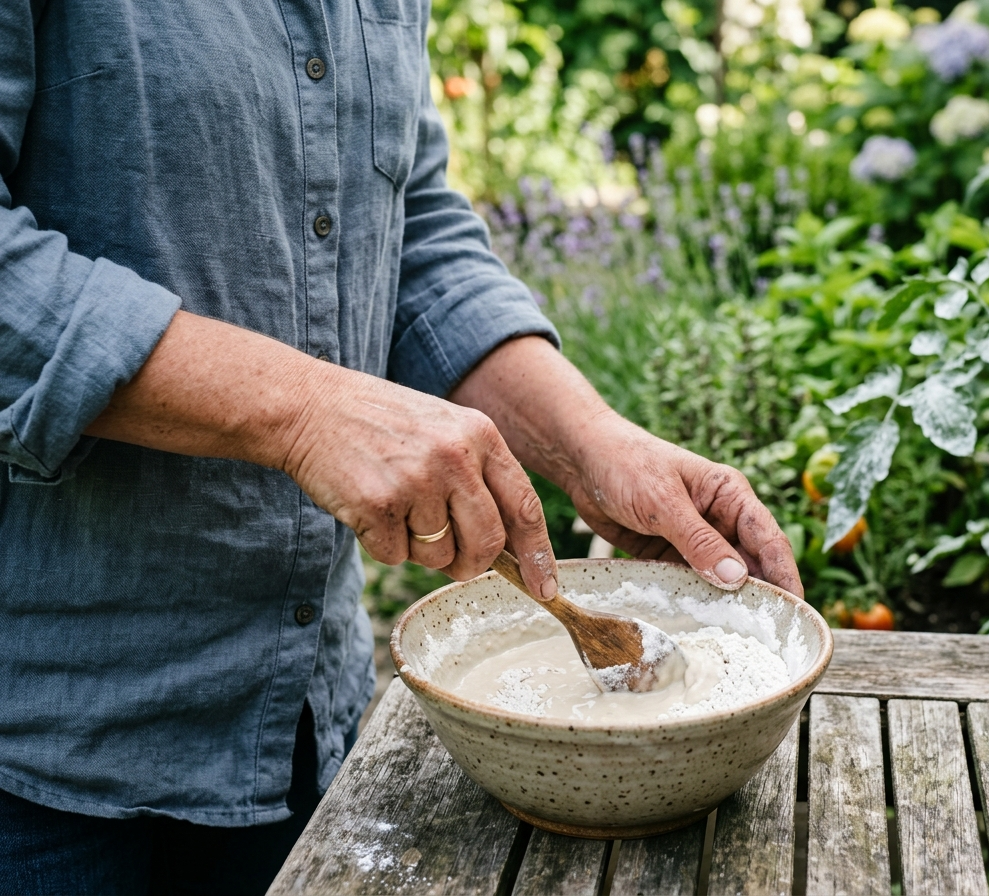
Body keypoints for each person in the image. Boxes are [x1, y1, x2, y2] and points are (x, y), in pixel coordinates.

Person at [0, 2, 801, 893]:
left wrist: (592, 447)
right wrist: (306, 411)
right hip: (40, 763)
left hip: (304, 724)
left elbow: (407, 236)